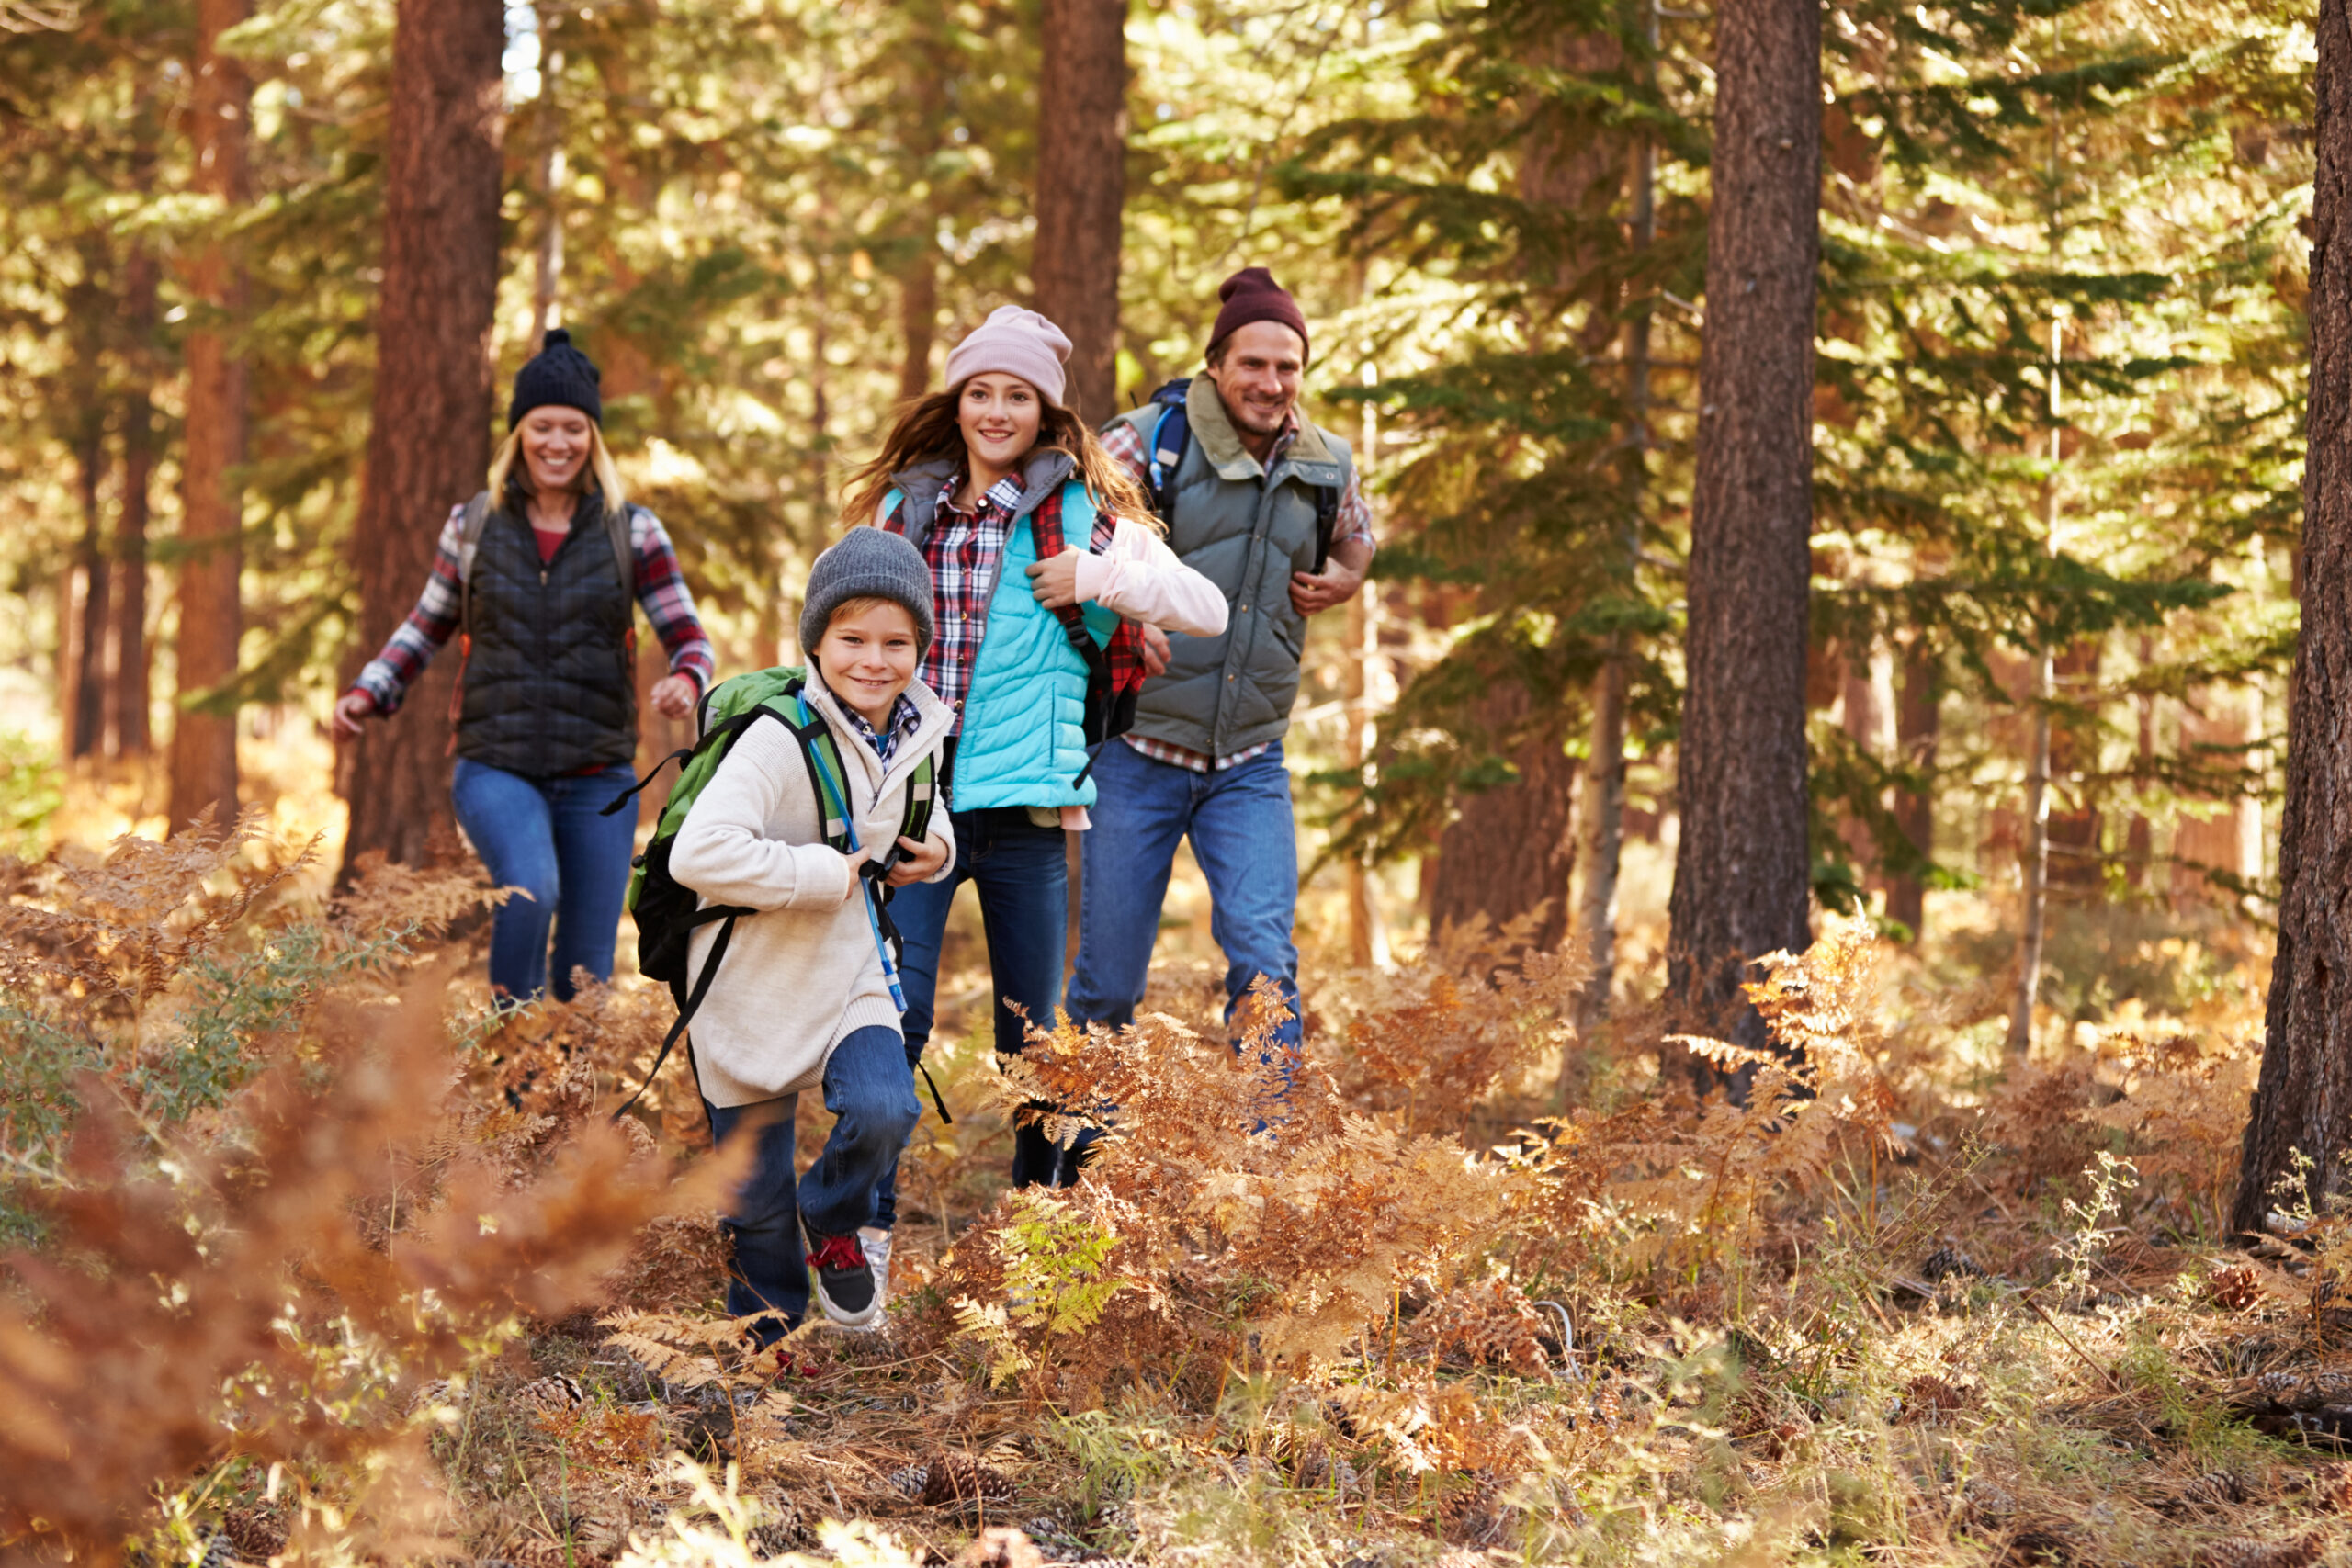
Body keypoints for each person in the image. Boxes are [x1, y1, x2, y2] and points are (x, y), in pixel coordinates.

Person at [842, 306, 1227, 1284]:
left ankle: (1035, 1242)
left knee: (1033, 1042)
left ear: (1045, 411)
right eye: (982, 393)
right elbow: (839, 629)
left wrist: (1099, 576)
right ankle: (866, 1240)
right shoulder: (904, 512)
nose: (997, 410)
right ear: (957, 404)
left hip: (1023, 815)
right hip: (915, 809)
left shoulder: (1079, 520)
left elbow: (1206, 608)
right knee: (895, 1020)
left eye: (1018, 396)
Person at [336, 330, 714, 1005]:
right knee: (530, 888)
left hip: (599, 775)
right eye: (543, 426)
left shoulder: (633, 531)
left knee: (587, 970)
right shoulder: (475, 526)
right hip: (496, 764)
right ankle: (512, 1069)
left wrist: (686, 679)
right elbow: (426, 625)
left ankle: (567, 1105)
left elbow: (688, 634)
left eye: (574, 427)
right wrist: (372, 690)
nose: (558, 443)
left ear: (592, 437)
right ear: (520, 433)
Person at [1068, 266, 1377, 1055]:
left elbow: (1357, 532)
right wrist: (1126, 617)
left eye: (1288, 367)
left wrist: (1347, 573)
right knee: (1107, 983)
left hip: (1250, 761)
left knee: (1267, 969)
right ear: (1215, 364)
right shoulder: (1145, 441)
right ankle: (1075, 1170)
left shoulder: (1326, 459)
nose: (1271, 383)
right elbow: (1065, 544)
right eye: (1253, 363)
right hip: (1136, 751)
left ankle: (1261, 1169)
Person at [665, 529, 956, 1336]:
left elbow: (922, 813)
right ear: (816, 643)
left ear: (920, 647)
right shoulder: (774, 735)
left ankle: (831, 1219)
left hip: (848, 973)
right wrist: (823, 873)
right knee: (754, 1202)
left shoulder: (919, 728)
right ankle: (767, 1342)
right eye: (852, 638)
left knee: (884, 1107)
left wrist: (940, 848)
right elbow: (700, 851)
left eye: (897, 641)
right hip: (746, 981)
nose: (875, 660)